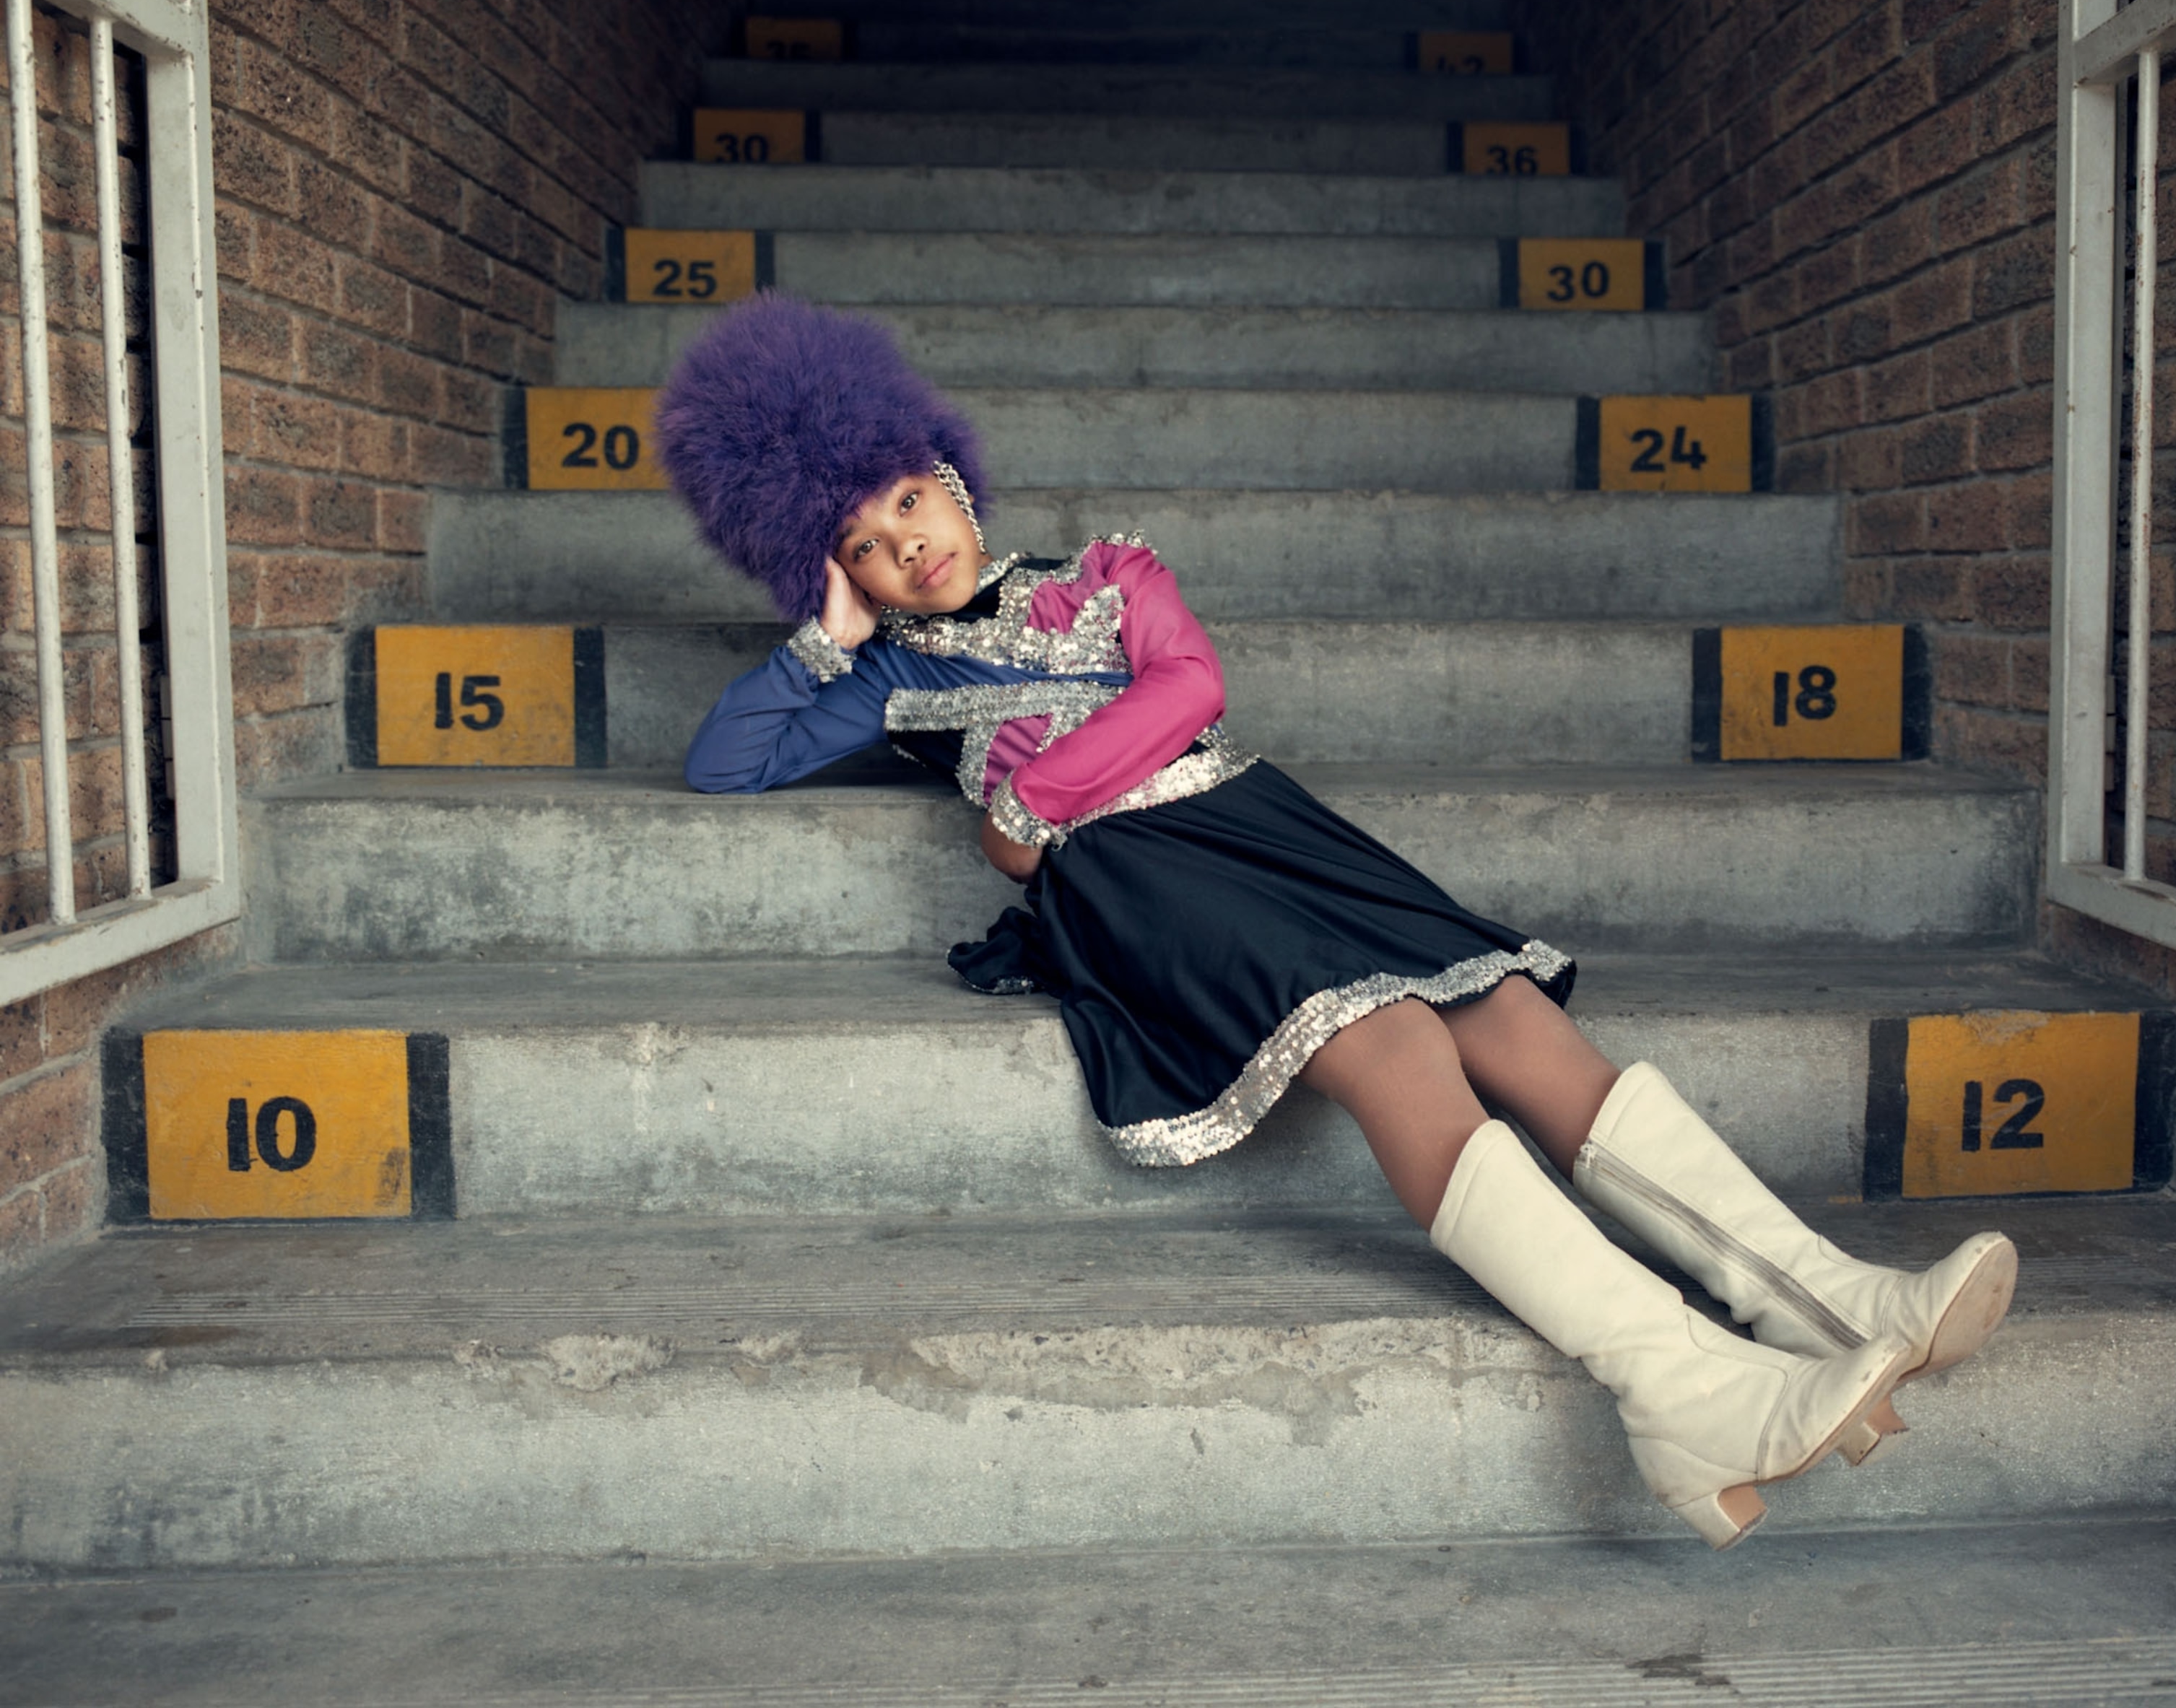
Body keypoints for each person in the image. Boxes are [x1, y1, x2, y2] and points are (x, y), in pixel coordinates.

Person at [660, 294, 2017, 1551]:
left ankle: (1831, 1298)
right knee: (1396, 1048)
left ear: (948, 472)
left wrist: (1031, 796)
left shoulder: (1114, 575)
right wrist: (825, 637)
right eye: (862, 547)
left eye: (907, 501)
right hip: (1137, 883)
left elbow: (1187, 691)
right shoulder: (887, 678)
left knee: (1515, 1017)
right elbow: (728, 760)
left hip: (1261, 821)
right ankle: (1679, 1388)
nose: (906, 544)